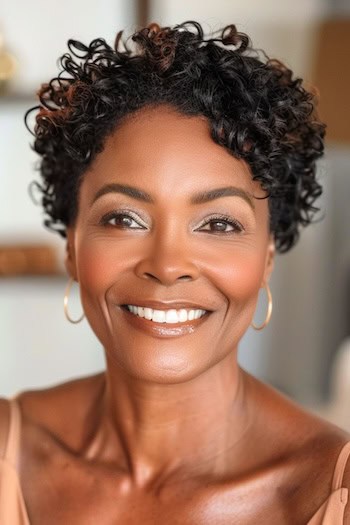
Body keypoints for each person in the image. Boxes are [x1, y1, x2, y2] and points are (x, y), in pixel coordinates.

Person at [0, 21, 348, 524]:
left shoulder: (329, 491)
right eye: (124, 218)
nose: (166, 267)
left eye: (219, 223)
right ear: (72, 247)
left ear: (268, 256)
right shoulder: (10, 449)